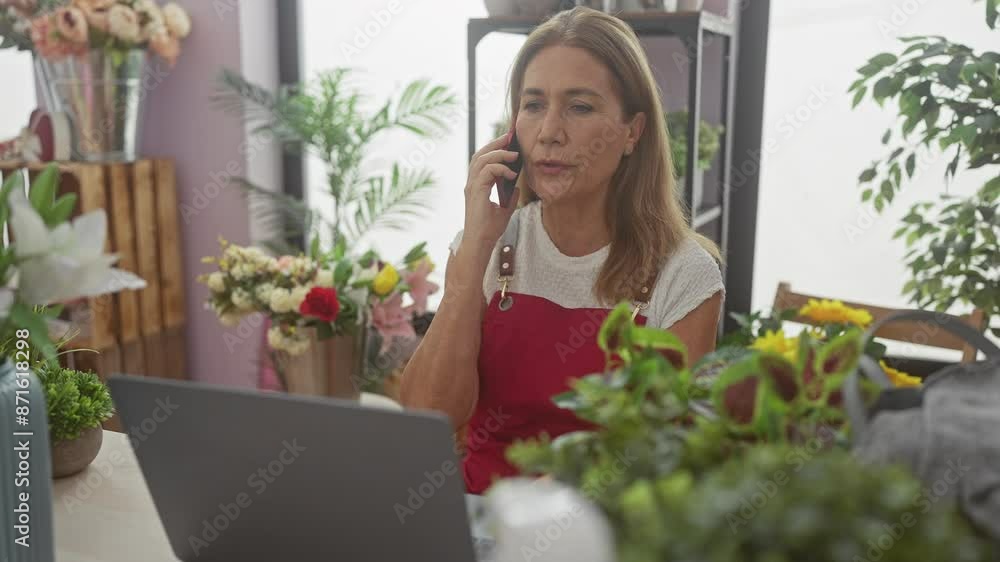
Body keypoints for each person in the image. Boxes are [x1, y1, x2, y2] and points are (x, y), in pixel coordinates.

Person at [400, 6, 725, 495]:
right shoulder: (485, 248)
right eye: (533, 105)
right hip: (476, 515)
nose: (549, 131)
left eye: (580, 107)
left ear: (632, 132)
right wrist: (475, 250)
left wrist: (545, 515)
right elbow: (427, 416)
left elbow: (663, 459)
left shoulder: (685, 276)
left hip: (604, 524)